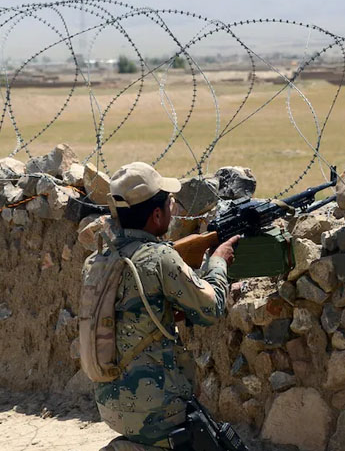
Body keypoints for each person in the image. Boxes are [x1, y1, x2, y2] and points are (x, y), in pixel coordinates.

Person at [94, 162, 242, 450]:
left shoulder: (99, 260)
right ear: (157, 214)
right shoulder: (160, 259)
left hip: (111, 404)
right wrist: (218, 262)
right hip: (158, 412)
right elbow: (211, 309)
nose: (173, 208)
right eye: (168, 203)